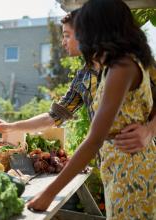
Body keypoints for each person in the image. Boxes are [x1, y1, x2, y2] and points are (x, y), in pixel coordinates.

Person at [27, 0, 156, 219]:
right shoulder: (114, 66)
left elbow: (94, 139)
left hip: (130, 169)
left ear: (99, 29)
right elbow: (59, 115)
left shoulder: (121, 68)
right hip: (121, 165)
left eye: (84, 27)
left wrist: (49, 193)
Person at [0, 9, 156, 154]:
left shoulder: (131, 62)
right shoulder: (83, 77)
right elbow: (53, 117)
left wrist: (149, 130)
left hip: (144, 158)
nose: (62, 42)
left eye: (67, 35)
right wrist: (11, 127)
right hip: (108, 161)